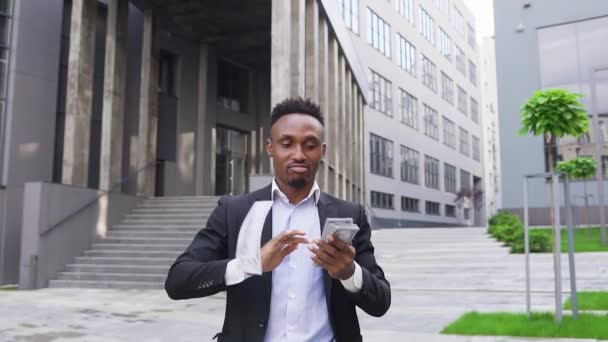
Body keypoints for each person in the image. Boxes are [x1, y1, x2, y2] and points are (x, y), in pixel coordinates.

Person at [165, 97, 391, 342]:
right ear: (270, 147)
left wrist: (349, 272)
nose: (299, 154)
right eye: (287, 144)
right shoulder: (234, 211)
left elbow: (380, 303)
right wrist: (251, 264)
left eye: (310, 145)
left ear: (322, 151)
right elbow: (178, 281)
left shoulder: (348, 214)